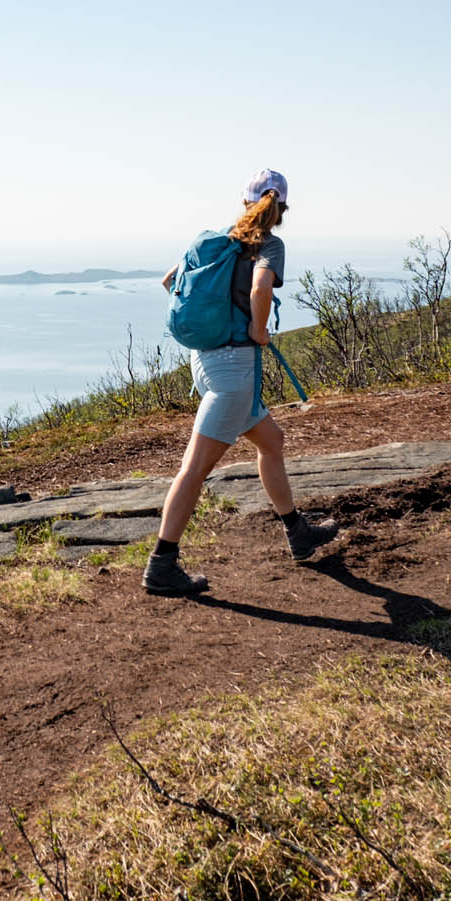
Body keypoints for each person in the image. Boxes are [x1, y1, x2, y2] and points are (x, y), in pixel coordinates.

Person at [144, 168, 340, 596]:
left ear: (245, 200)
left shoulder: (216, 239)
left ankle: (297, 532)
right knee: (194, 470)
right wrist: (257, 328)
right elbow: (260, 290)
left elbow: (168, 281)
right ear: (281, 208)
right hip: (234, 373)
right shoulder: (269, 245)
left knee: (272, 442)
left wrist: (212, 322)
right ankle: (161, 564)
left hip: (205, 361)